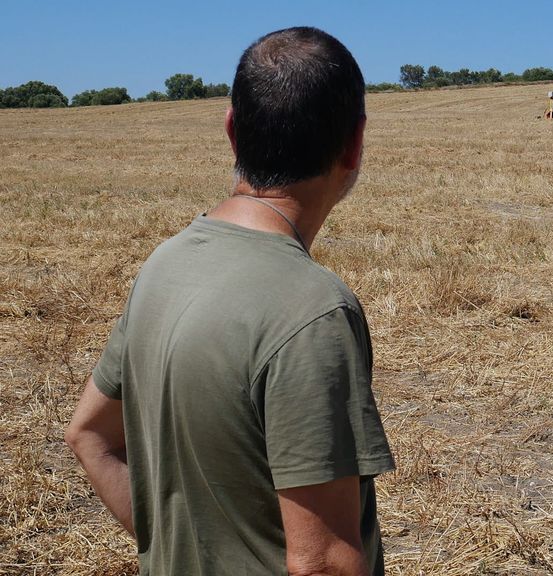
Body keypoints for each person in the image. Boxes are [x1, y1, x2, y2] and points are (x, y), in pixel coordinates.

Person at [65, 27, 395, 576]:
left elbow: (89, 436)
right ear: (355, 143)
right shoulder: (313, 311)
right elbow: (324, 562)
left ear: (232, 131)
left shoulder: (164, 264)